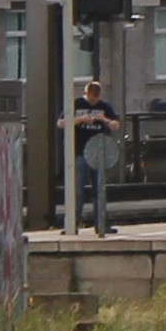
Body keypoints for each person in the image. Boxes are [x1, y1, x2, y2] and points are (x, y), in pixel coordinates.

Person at [66, 77, 117, 236]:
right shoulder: (76, 104)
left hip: (98, 156)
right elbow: (61, 123)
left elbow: (116, 125)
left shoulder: (104, 107)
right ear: (86, 93)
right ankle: (73, 223)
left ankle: (101, 223)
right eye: (91, 97)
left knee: (99, 190)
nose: (93, 101)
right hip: (80, 152)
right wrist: (80, 119)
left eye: (96, 98)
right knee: (77, 190)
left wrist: (105, 120)